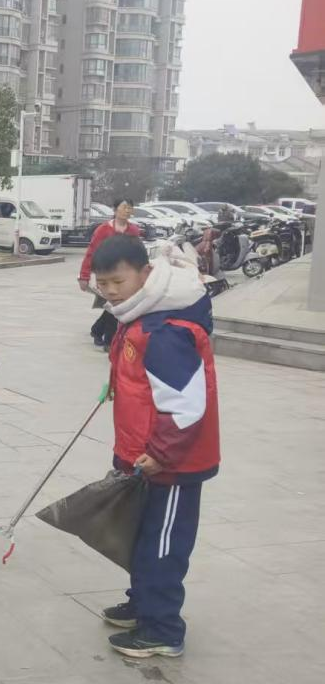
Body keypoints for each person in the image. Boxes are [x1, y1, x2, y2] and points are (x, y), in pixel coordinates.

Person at [90, 234, 219, 658]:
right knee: (143, 535)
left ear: (145, 274)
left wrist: (161, 453)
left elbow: (185, 406)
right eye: (103, 283)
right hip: (142, 455)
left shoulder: (165, 330)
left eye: (118, 281)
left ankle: (163, 629)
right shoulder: (140, 315)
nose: (111, 291)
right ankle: (143, 604)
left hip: (171, 464)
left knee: (163, 545)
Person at [80, 199, 142, 350]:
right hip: (105, 273)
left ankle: (97, 329)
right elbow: (91, 252)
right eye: (124, 207)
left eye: (130, 208)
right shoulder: (103, 230)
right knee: (115, 304)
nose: (127, 210)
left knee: (116, 304)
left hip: (124, 274)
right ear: (115, 210)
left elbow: (137, 252)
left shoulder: (133, 230)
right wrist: (84, 275)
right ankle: (110, 341)